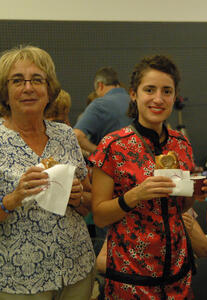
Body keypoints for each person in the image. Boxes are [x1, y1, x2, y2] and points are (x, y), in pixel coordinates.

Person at [89, 54, 207, 299]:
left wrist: (195, 194)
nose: (158, 99)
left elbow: (181, 206)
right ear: (134, 94)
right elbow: (100, 216)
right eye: (149, 90)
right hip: (131, 279)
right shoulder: (113, 146)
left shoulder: (181, 143)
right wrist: (135, 195)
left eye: (167, 91)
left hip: (178, 276)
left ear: (174, 96)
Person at [0, 45, 95, 300]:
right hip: (20, 278)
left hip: (76, 269)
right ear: (5, 94)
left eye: (37, 80)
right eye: (17, 80)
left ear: (48, 91)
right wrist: (14, 197)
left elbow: (89, 201)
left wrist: (77, 198)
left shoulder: (65, 135)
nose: (28, 87)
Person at [73, 67, 131, 155]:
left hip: (110, 166)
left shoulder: (99, 104)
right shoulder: (136, 102)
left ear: (100, 85)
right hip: (139, 163)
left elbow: (77, 136)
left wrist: (101, 153)